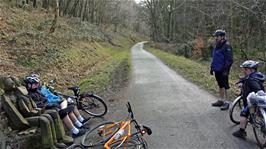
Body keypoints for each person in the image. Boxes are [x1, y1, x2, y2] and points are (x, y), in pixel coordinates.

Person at [0, 75, 73, 148]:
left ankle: (60, 138)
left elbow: (28, 103)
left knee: (53, 113)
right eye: (8, 80)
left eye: (11, 80)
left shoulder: (16, 92)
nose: (12, 82)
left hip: (29, 113)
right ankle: (49, 145)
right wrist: (30, 116)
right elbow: (15, 113)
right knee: (44, 120)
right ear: (3, 84)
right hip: (21, 120)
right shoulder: (6, 98)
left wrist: (36, 110)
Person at [24, 74, 89, 138]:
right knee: (63, 113)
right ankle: (75, 132)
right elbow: (40, 105)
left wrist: (54, 102)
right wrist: (52, 104)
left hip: (50, 105)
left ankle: (80, 124)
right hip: (46, 109)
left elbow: (45, 99)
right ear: (29, 85)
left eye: (37, 83)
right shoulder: (31, 95)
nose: (37, 85)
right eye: (35, 84)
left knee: (69, 107)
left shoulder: (37, 91)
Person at [232, 60, 265, 138]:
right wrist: (241, 82)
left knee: (244, 114)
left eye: (246, 69)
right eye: (244, 69)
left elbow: (256, 88)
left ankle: (241, 132)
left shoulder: (251, 80)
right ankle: (262, 125)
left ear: (252, 70)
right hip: (259, 100)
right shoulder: (257, 76)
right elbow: (245, 79)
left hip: (252, 102)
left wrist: (258, 93)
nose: (244, 71)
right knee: (259, 115)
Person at [210, 29, 233, 110]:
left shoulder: (227, 46)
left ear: (222, 37)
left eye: (217, 36)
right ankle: (221, 100)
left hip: (224, 70)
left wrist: (226, 70)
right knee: (220, 85)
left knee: (226, 86)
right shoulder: (217, 45)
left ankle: (227, 102)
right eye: (215, 36)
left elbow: (229, 60)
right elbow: (214, 57)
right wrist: (212, 67)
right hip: (217, 69)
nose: (216, 38)